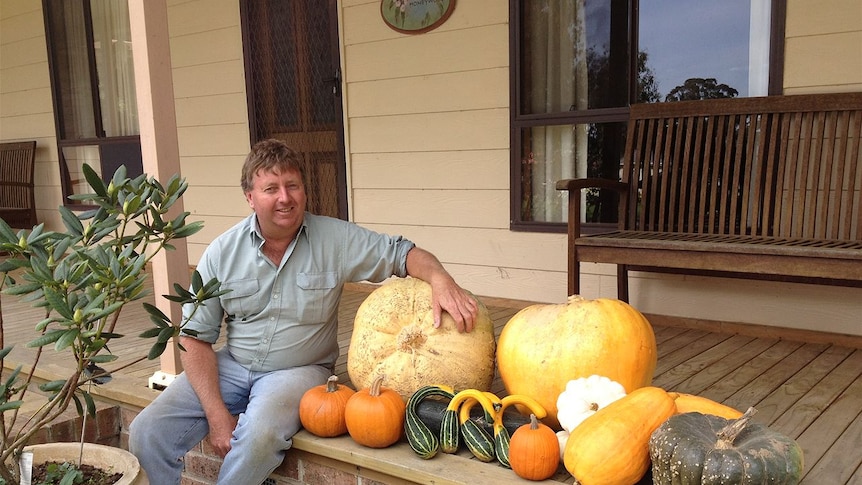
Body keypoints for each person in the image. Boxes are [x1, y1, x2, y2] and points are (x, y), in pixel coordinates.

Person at [128, 139, 479, 484]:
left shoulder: (334, 239)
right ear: (250, 198)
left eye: (292, 185)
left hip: (299, 370)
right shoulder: (222, 253)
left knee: (260, 437)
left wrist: (440, 278)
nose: (285, 197)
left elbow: (402, 253)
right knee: (147, 431)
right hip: (233, 365)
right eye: (271, 188)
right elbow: (193, 337)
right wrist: (217, 415)